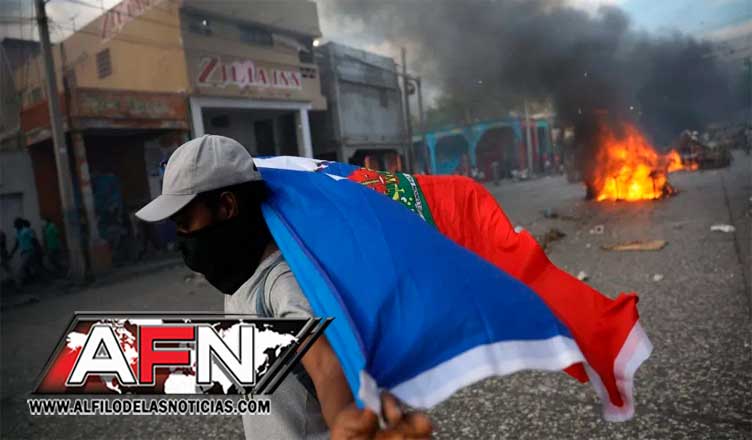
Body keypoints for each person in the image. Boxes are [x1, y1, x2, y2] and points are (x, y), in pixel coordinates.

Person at [135, 135, 431, 440]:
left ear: (226, 206)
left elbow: (326, 365)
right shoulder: (237, 277)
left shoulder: (281, 283)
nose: (181, 238)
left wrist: (347, 422)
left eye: (185, 222)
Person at [9, 218, 37, 286]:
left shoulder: (27, 230)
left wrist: (36, 250)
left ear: (20, 224)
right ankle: (33, 279)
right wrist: (11, 253)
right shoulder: (17, 233)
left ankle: (19, 284)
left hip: (29, 251)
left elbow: (33, 240)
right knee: (30, 267)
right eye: (15, 225)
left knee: (21, 268)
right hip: (23, 252)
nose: (16, 227)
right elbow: (17, 244)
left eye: (16, 225)